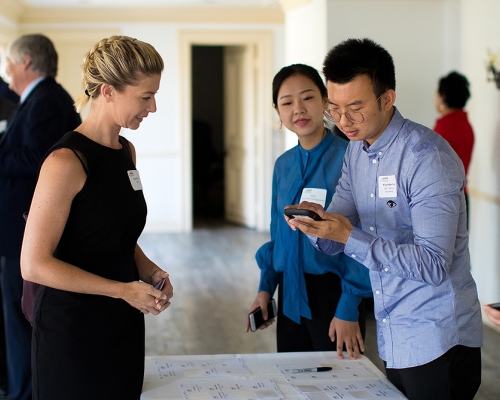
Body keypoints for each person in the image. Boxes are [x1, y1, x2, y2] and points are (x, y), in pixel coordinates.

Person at [286, 38, 482, 400]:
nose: (343, 121)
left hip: (438, 336)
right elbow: (336, 232)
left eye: (355, 108)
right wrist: (315, 226)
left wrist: (350, 237)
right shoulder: (357, 153)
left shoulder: (427, 157)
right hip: (393, 330)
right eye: (335, 109)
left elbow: (434, 263)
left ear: (387, 99)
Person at [20, 35, 172, 400]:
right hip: (71, 330)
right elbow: (34, 264)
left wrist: (149, 270)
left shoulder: (126, 152)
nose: (152, 108)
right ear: (107, 91)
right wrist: (122, 289)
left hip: (122, 322)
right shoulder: (65, 162)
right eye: (145, 96)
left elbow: (113, 233)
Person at [246, 64, 372, 359]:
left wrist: (348, 306)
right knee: (293, 383)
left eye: (308, 98)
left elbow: (362, 237)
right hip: (290, 292)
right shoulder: (283, 164)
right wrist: (266, 287)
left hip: (335, 293)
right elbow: (277, 232)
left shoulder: (350, 157)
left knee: (339, 385)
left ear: (326, 101)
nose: (298, 109)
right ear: (278, 111)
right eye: (287, 102)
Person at [0, 33, 81, 400]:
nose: (7, 70)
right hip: (19, 229)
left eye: (10, 62)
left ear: (27, 62)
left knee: (22, 320)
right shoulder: (39, 98)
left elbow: (38, 160)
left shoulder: (46, 99)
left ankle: (27, 394)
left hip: (25, 232)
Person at [434, 71, 474, 227]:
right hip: (463, 196)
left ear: (443, 95)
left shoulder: (444, 126)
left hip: (444, 200)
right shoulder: (467, 125)